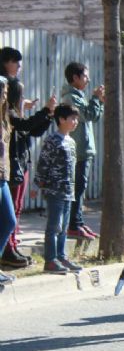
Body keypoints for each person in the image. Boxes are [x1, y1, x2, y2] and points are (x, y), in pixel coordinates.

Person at [0, 47, 55, 268]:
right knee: (9, 215)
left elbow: (31, 130)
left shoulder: (9, 116)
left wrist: (47, 114)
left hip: (15, 164)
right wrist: (42, 113)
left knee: (14, 212)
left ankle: (10, 245)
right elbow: (23, 125)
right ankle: (7, 250)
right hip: (8, 168)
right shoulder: (10, 115)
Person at [34, 105, 83, 274]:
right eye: (72, 118)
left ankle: (61, 256)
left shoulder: (71, 141)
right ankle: (50, 260)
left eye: (76, 119)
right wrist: (40, 182)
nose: (75, 122)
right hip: (54, 190)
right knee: (54, 226)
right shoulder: (52, 140)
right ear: (61, 119)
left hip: (68, 191)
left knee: (64, 227)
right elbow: (43, 163)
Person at [61, 62, 104, 240]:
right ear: (76, 77)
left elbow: (94, 116)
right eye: (85, 76)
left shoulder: (78, 95)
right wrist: (96, 99)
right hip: (78, 150)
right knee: (77, 188)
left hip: (84, 149)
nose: (88, 80)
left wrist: (98, 101)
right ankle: (73, 225)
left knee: (80, 188)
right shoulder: (72, 98)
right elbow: (88, 115)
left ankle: (78, 222)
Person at [0, 77, 19, 286]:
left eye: (5, 92)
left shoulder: (5, 118)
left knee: (8, 221)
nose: (5, 96)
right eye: (2, 92)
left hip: (3, 176)